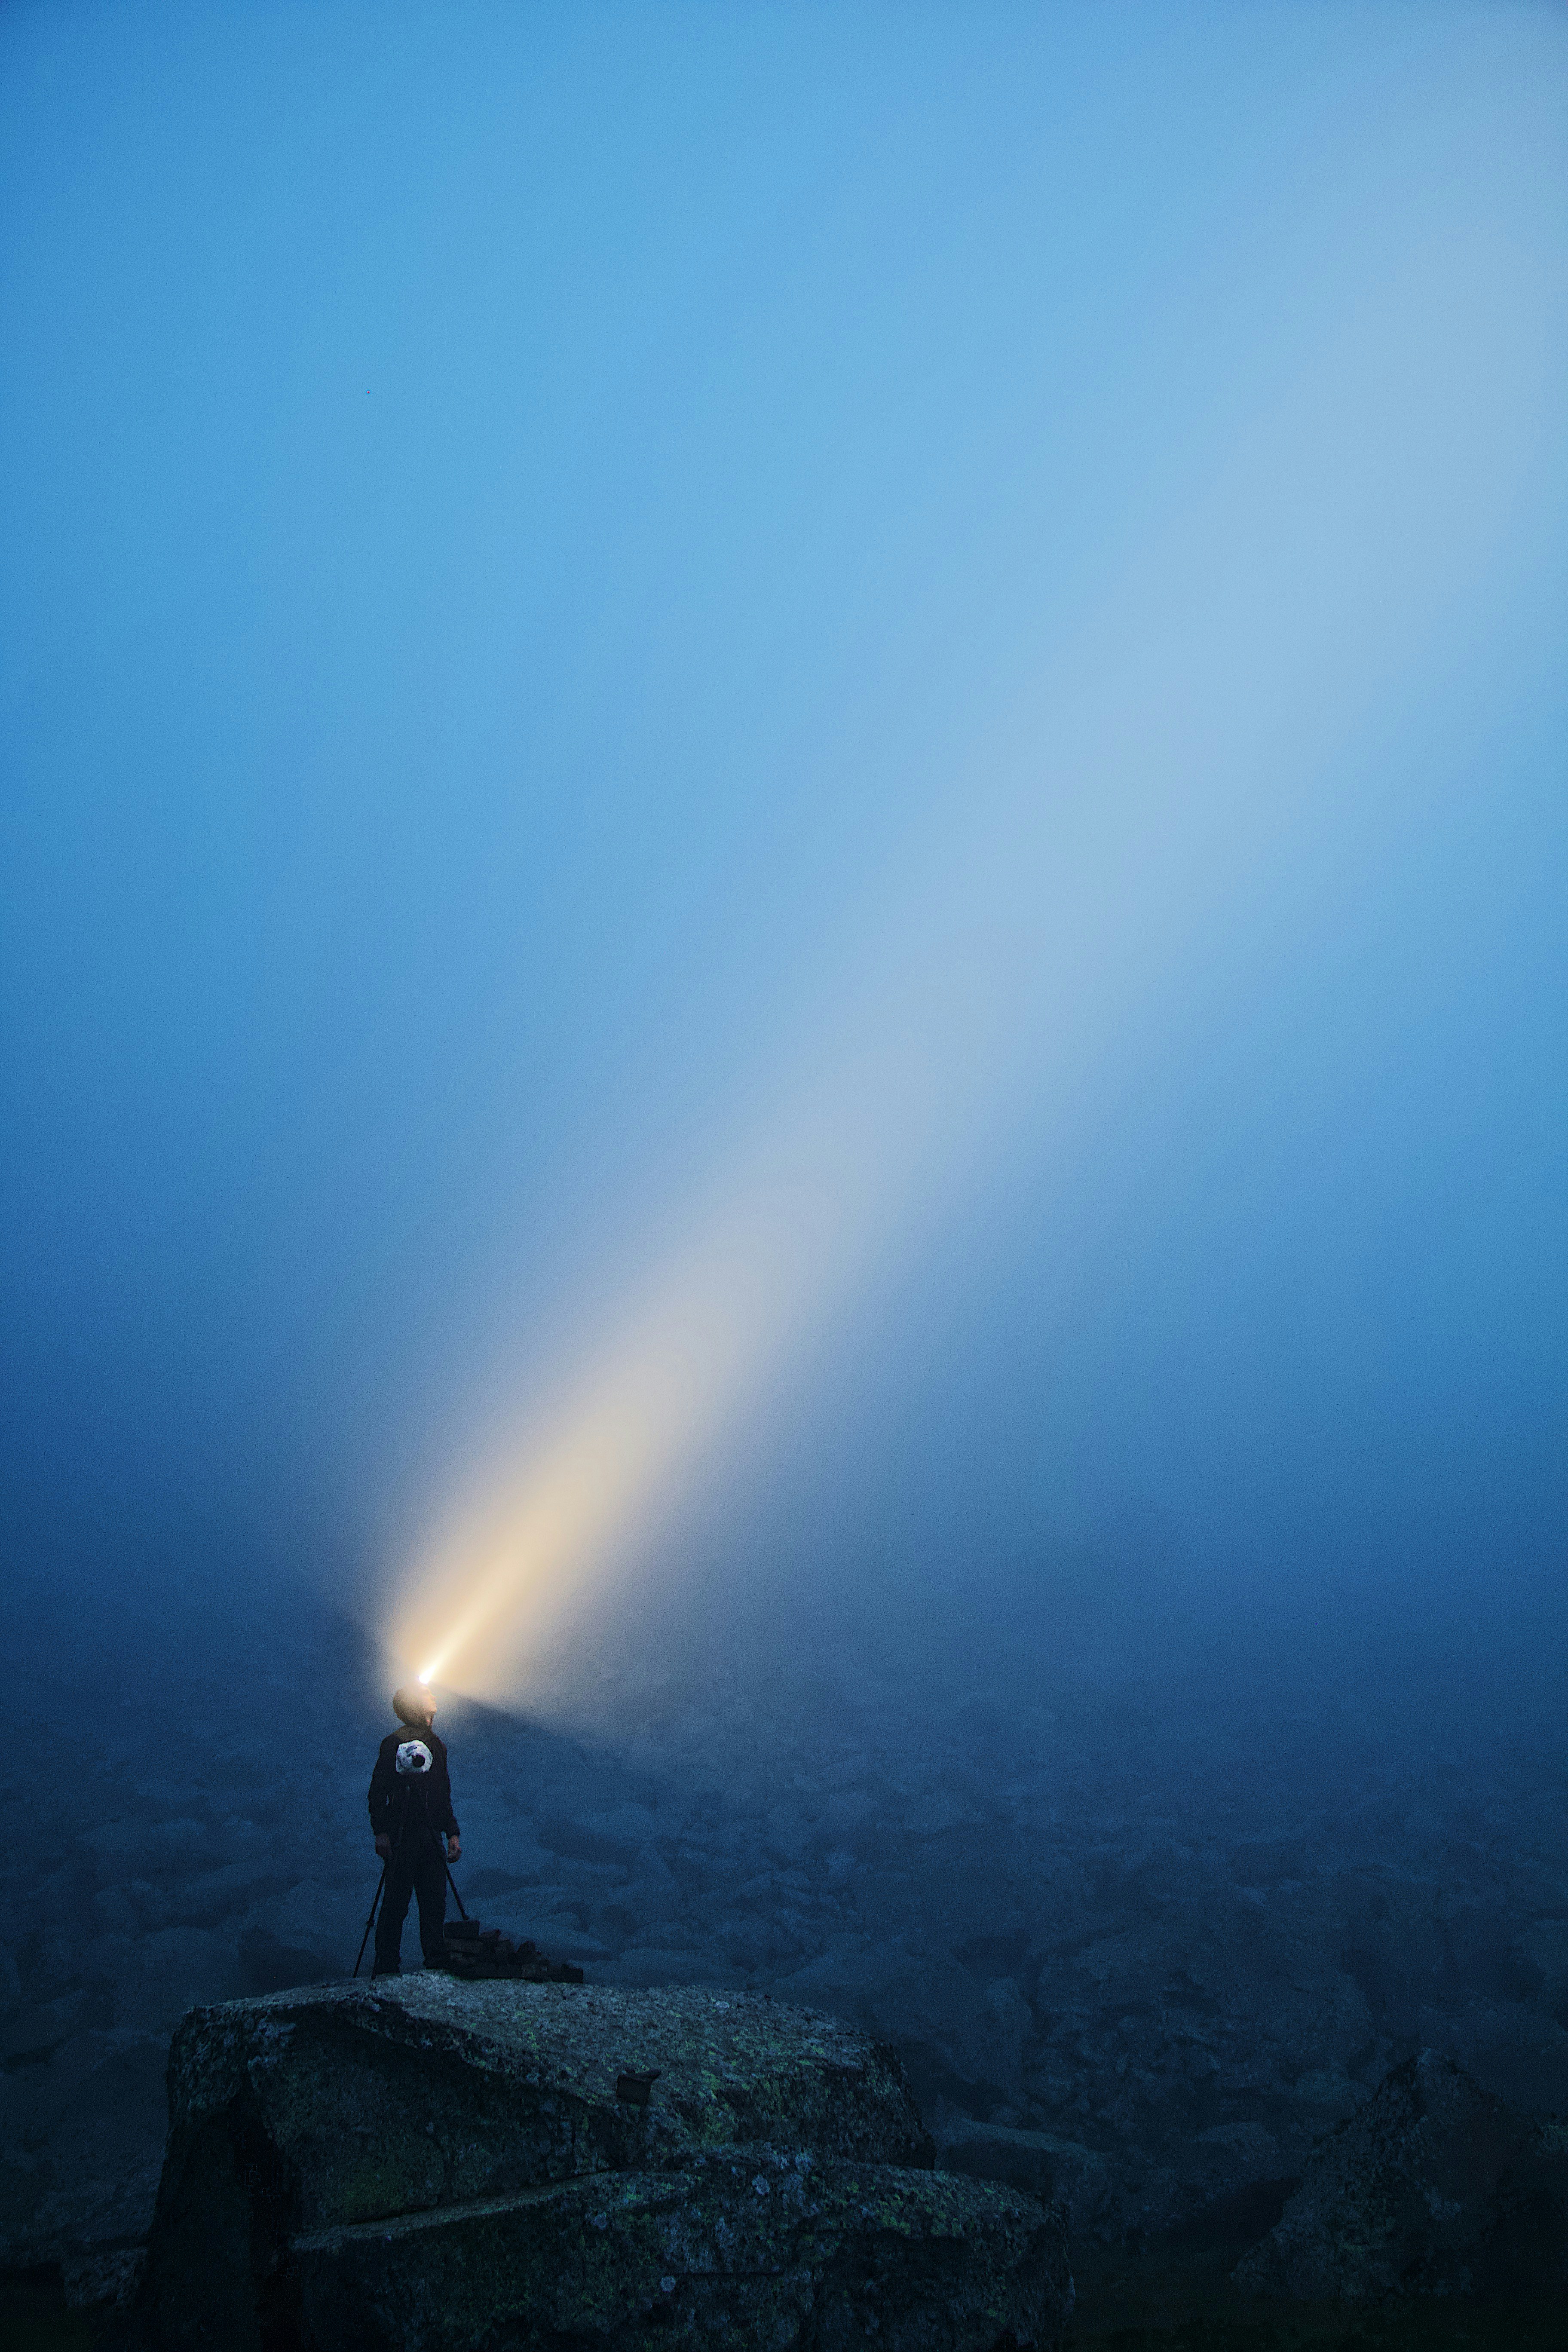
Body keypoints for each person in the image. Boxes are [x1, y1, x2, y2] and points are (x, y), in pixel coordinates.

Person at [368, 1684, 462, 1976]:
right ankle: (390, 1966)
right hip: (403, 1834)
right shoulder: (394, 1744)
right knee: (399, 1901)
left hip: (425, 1835)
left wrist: (452, 1833)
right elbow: (378, 1791)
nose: (432, 1695)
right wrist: (382, 1832)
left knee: (431, 1900)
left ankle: (425, 1960)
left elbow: (442, 1794)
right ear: (414, 1706)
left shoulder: (435, 1745)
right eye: (425, 1694)